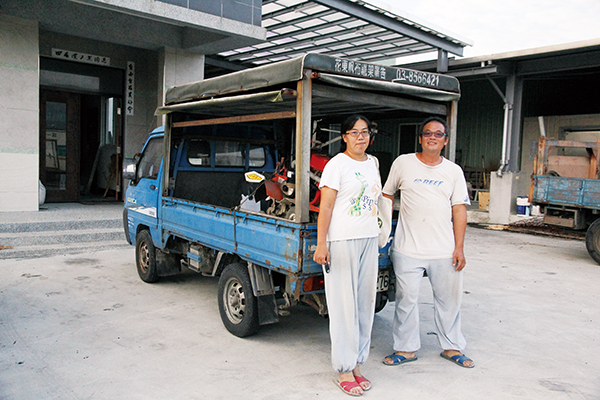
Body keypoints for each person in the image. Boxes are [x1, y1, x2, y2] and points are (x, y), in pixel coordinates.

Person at [381, 116, 475, 368]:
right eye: (428, 133)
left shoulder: (453, 171)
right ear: (420, 138)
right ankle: (406, 349)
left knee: (449, 301)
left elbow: (459, 210)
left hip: (444, 249)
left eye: (438, 134)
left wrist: (459, 247)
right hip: (407, 248)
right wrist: (381, 230)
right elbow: (387, 195)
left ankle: (452, 347)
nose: (432, 137)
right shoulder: (403, 163)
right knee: (406, 301)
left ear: (445, 141)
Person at [313, 115, 382, 396]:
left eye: (365, 132)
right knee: (343, 306)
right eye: (354, 133)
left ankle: (357, 364)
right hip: (341, 240)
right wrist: (321, 244)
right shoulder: (336, 165)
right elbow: (326, 207)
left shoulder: (374, 163)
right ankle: (343, 367)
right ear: (344, 137)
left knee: (364, 304)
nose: (360, 137)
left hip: (369, 239)